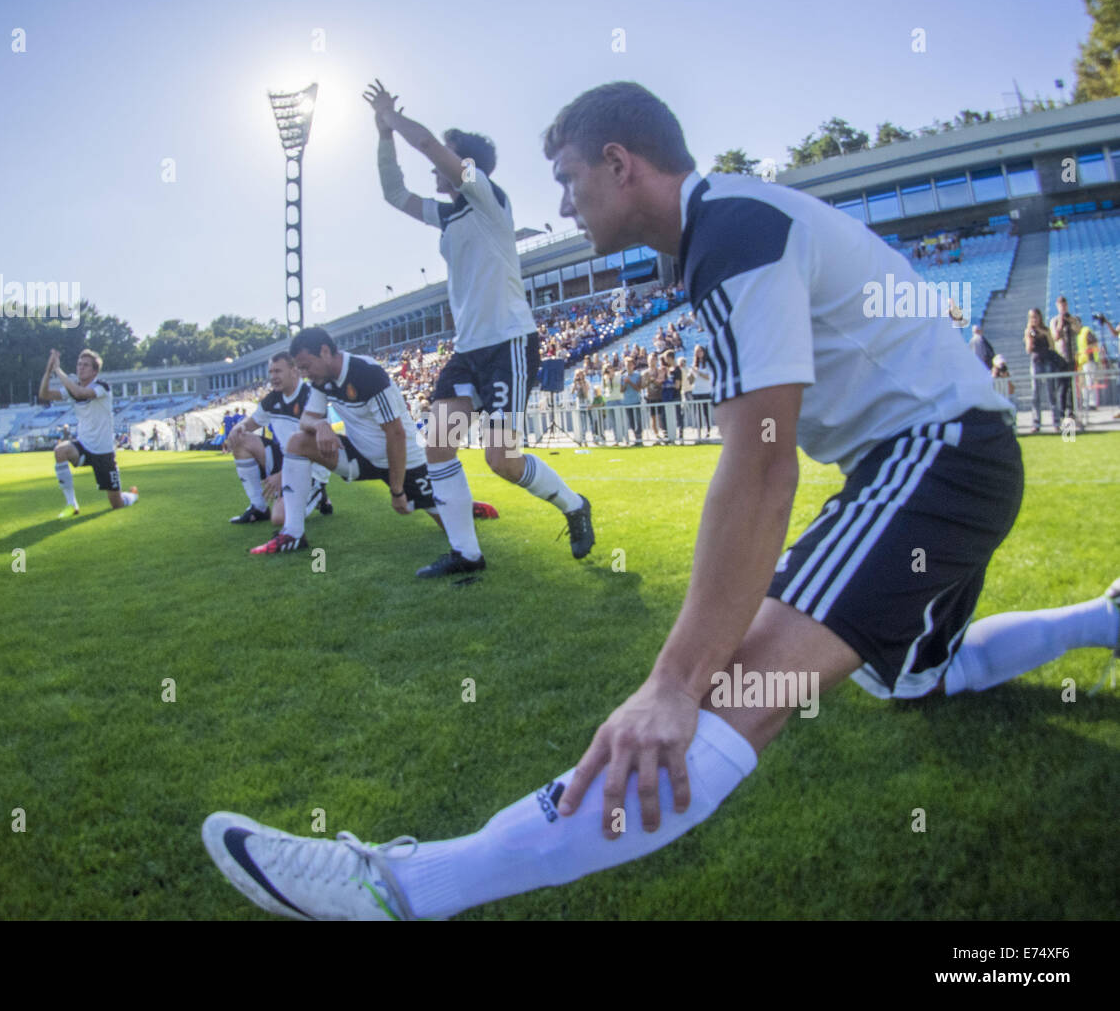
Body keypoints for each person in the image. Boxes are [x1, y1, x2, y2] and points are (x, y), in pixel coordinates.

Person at [203, 80, 1120, 921]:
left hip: (937, 457)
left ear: (620, 164)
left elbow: (761, 468)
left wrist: (673, 682)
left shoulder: (729, 230)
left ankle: (402, 886)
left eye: (567, 178)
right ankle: (1105, 618)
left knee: (734, 693)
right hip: (953, 455)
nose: (559, 203)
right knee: (918, 674)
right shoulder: (721, 231)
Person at [363, 78, 593, 573]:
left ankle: (575, 506)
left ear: (462, 162)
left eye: (444, 157)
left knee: (502, 461)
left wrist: (392, 118)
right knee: (438, 445)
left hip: (508, 341)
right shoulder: (448, 217)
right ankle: (467, 554)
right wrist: (383, 138)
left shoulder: (488, 197)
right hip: (469, 350)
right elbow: (393, 193)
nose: (433, 165)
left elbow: (425, 143)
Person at [249, 328, 497, 577]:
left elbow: (396, 434)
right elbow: (307, 420)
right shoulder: (320, 381)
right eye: (300, 368)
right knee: (298, 441)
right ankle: (292, 534)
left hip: (404, 460)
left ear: (324, 352)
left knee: (448, 526)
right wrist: (320, 424)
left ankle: (455, 505)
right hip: (361, 456)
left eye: (306, 366)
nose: (304, 374)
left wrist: (397, 490)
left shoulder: (366, 373)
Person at [224, 351, 332, 527]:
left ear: (294, 370)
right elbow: (253, 421)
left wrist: (283, 475)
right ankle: (258, 508)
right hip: (286, 460)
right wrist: (239, 427)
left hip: (309, 466)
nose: (273, 377)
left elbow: (315, 449)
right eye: (271, 372)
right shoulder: (273, 398)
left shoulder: (311, 398)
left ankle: (318, 491)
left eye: (278, 371)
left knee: (280, 518)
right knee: (242, 440)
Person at [38, 348, 138, 515]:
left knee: (117, 504)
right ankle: (72, 505)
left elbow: (80, 393)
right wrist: (49, 370)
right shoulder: (73, 387)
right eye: (79, 364)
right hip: (84, 445)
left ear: (94, 371)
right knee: (60, 451)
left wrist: (57, 370)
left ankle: (132, 496)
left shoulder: (102, 386)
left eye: (85, 365)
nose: (80, 368)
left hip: (104, 452)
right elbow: (44, 394)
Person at [1024, 308, 1068, 433]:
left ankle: (1056, 422)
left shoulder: (1045, 330)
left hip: (1047, 362)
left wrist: (1042, 333)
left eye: (1036, 317)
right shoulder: (1028, 331)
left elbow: (1052, 346)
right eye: (1032, 317)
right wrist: (1030, 336)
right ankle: (1036, 422)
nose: (1034, 319)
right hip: (1036, 362)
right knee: (1035, 394)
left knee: (1051, 393)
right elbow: (1028, 349)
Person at [686, 343, 714, 440]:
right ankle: (699, 431)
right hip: (696, 391)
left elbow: (708, 377)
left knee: (706, 412)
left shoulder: (708, 364)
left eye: (699, 351)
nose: (698, 353)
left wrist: (698, 372)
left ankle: (708, 430)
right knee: (698, 412)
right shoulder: (695, 365)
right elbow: (691, 381)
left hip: (706, 390)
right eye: (696, 352)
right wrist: (690, 374)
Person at [619, 355, 643, 445]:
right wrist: (625, 384)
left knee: (638, 420)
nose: (628, 366)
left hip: (636, 400)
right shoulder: (622, 376)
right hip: (627, 402)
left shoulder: (637, 375)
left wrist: (630, 382)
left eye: (630, 364)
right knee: (631, 421)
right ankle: (635, 438)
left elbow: (638, 388)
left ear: (633, 365)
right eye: (626, 364)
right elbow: (621, 390)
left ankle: (640, 438)